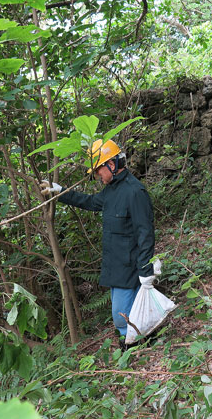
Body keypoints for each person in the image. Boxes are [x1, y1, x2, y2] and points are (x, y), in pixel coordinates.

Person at [40, 139, 155, 342]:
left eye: (98, 170)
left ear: (112, 164)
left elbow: (145, 233)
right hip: (115, 264)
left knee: (122, 317)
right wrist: (60, 192)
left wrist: (146, 270)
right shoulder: (111, 190)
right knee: (129, 314)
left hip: (130, 267)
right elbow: (91, 202)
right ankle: (139, 349)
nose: (96, 175)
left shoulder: (135, 192)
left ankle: (133, 351)